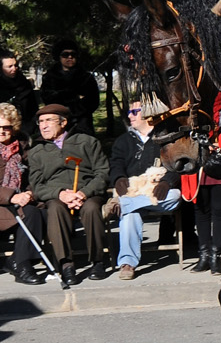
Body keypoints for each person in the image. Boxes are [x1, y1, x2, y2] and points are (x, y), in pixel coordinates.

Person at [27, 103, 109, 283]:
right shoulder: (37, 151)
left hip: (87, 193)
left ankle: (97, 261)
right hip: (57, 197)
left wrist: (84, 193)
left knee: (91, 209)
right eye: (41, 121)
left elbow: (102, 172)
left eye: (49, 120)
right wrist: (60, 194)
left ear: (63, 123)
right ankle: (66, 264)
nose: (43, 125)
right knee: (55, 209)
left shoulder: (87, 142)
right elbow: (37, 185)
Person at [106, 103, 182, 280]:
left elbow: (177, 165)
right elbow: (115, 164)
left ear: (148, 115)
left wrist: (167, 181)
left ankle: (121, 205)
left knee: (176, 195)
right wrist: (118, 178)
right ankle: (127, 263)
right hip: (133, 190)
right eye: (129, 112)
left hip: (156, 195)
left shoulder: (166, 139)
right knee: (130, 215)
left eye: (134, 112)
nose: (130, 115)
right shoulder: (123, 141)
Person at [187, 91, 221, 274]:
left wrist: (220, 142)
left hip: (220, 161)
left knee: (219, 211)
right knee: (201, 210)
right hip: (200, 163)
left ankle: (216, 258)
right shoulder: (197, 99)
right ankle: (204, 256)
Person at [0, 103, 45, 284]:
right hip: (4, 201)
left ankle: (21, 263)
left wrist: (29, 193)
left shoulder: (24, 148)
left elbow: (35, 176)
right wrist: (11, 196)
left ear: (14, 127)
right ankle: (18, 262)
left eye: (6, 127)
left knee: (34, 212)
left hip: (19, 202)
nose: (2, 131)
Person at [38, 39, 100, 135]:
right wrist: (72, 97)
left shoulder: (86, 77)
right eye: (65, 54)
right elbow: (47, 99)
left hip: (82, 122)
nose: (70, 57)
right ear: (59, 56)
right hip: (58, 122)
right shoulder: (49, 77)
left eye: (73, 54)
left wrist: (75, 110)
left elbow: (93, 101)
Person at [0, 50, 39, 134]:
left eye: (15, 65)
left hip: (25, 127)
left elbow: (33, 108)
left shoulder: (24, 84)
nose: (14, 69)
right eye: (9, 66)